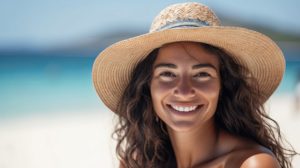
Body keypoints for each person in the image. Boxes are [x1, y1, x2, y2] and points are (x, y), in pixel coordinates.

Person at [92, 2, 297, 168]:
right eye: (167, 74)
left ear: (223, 85)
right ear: (147, 88)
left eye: (201, 74)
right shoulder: (136, 163)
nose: (183, 90)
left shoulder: (251, 164)